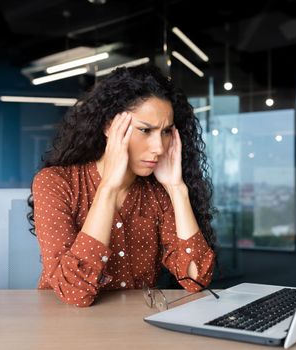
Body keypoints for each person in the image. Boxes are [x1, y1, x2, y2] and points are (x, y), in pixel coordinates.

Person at [28, 65, 217, 307]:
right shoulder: (56, 182)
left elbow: (196, 279)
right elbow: (74, 293)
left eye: (166, 131)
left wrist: (177, 189)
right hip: (65, 326)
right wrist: (108, 189)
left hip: (135, 326)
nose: (159, 148)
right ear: (109, 126)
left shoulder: (158, 191)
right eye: (145, 130)